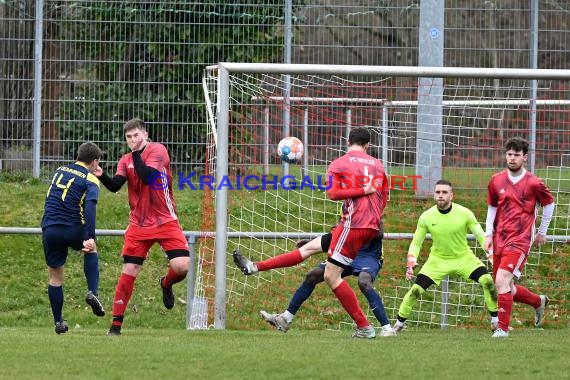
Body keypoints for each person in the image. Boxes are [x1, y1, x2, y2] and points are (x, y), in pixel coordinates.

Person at [95, 118, 190, 336]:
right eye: (129, 137)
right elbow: (116, 185)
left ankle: (166, 284)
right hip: (138, 223)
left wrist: (137, 153)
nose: (133, 140)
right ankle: (115, 326)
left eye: (136, 135)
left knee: (182, 266)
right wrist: (102, 176)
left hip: (165, 219)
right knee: (130, 270)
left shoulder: (158, 150)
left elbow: (148, 177)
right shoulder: (125, 159)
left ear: (145, 135)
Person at [392, 179, 498, 333]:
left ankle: (495, 321)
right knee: (415, 290)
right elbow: (416, 242)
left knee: (487, 281)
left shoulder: (465, 213)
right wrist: (410, 263)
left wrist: (493, 258)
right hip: (437, 261)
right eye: (438, 192)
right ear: (434, 195)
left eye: (444, 192)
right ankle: (398, 325)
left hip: (464, 258)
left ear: (452, 195)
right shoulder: (426, 217)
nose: (440, 195)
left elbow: (482, 237)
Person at [258, 228, 396, 337]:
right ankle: (285, 319)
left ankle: (387, 328)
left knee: (364, 282)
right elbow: (338, 233)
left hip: (369, 256)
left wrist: (358, 226)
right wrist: (314, 243)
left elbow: (378, 233)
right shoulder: (347, 205)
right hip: (347, 252)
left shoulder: (368, 202)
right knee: (313, 275)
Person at [484, 137, 555, 338]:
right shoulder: (496, 180)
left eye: (516, 155)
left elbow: (549, 204)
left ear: (525, 157)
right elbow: (492, 207)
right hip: (500, 238)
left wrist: (542, 231)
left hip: (521, 240)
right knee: (505, 287)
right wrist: (488, 233)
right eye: (509, 154)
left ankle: (502, 330)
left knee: (501, 280)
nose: (512, 158)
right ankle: (538, 301)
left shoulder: (534, 183)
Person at [41, 142, 105, 334]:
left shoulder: (59, 170)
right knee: (90, 249)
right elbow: (90, 207)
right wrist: (90, 236)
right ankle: (92, 292)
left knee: (55, 276)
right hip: (73, 227)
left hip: (50, 227)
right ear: (95, 161)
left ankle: (59, 322)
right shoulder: (91, 179)